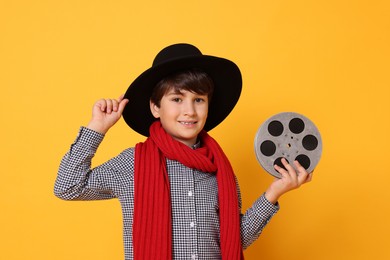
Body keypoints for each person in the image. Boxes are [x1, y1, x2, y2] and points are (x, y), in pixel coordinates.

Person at [54, 43, 312, 260]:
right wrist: (96, 128)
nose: (189, 111)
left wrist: (274, 193)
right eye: (177, 99)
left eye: (198, 100)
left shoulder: (219, 169)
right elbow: (68, 186)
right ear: (156, 107)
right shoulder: (132, 164)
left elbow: (235, 239)